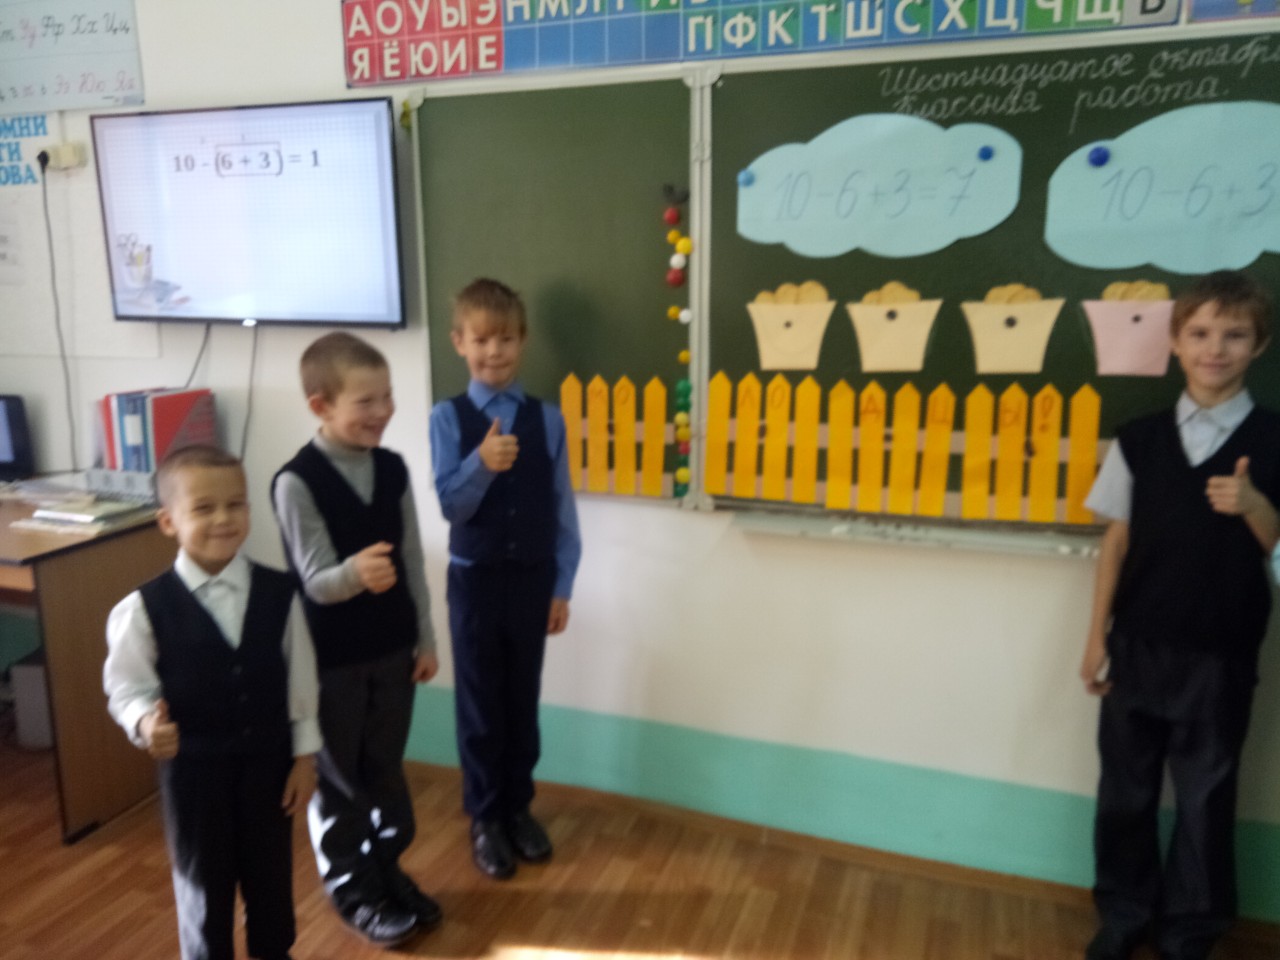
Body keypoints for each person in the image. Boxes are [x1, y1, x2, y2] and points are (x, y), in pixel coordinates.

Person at [1079, 270, 1280, 960]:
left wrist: (1256, 507)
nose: (1215, 348)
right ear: (1174, 342)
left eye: (1235, 335)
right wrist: (1096, 636)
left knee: (1205, 798)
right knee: (1125, 791)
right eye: (1199, 333)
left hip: (1220, 651)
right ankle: (1124, 911)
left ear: (1259, 345)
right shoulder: (1139, 439)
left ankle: (1191, 930)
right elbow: (1116, 541)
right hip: (1136, 644)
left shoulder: (1274, 439)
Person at [103, 445, 320, 960]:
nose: (223, 519)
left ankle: (274, 951)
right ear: (168, 521)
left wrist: (304, 758)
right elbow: (126, 687)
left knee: (270, 876)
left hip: (268, 767)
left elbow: (302, 683)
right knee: (202, 884)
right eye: (203, 508)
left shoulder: (280, 593)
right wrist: (143, 723)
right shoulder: (142, 609)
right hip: (194, 776)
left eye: (235, 504)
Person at [272, 332, 441, 946]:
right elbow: (316, 581)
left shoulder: (391, 468)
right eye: (366, 401)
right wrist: (355, 574)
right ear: (320, 406)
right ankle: (352, 887)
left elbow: (413, 560)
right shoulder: (296, 482)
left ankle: (387, 868)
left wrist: (425, 639)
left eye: (387, 397)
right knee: (341, 779)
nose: (383, 411)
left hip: (394, 652)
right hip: (333, 663)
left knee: (385, 770)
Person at [428, 278, 582, 880]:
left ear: (523, 341)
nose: (494, 351)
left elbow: (563, 509)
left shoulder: (548, 419)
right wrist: (480, 465)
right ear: (459, 342)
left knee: (521, 699)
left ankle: (518, 808)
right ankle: (485, 817)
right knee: (480, 704)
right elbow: (451, 505)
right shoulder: (448, 417)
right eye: (482, 340)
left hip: (532, 581)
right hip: (475, 583)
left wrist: (562, 586)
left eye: (506, 339)